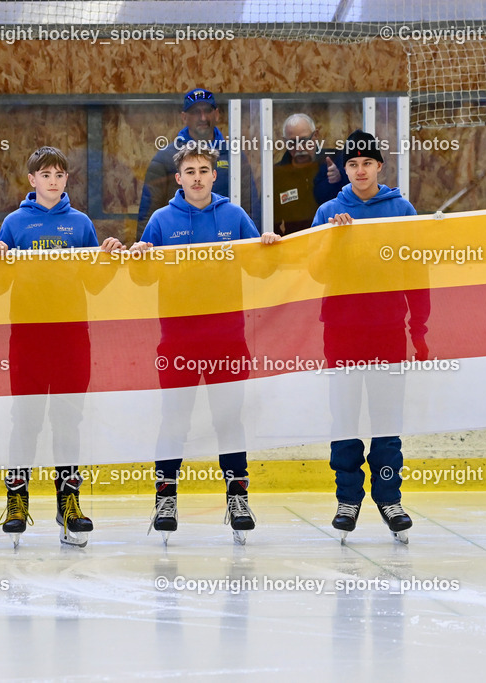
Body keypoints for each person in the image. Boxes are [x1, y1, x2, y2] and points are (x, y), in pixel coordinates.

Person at [130, 143, 280, 545]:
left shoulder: (234, 215)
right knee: (174, 422)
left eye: (203, 170)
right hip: (177, 340)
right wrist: (141, 256)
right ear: (178, 179)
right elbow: (142, 281)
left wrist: (265, 246)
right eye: (189, 171)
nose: (197, 177)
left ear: (215, 176)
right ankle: (165, 499)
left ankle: (237, 497)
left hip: (228, 339)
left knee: (229, 421)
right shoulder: (161, 221)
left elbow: (259, 268)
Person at [0, 146, 123, 548]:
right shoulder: (13, 223)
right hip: (27, 336)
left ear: (67, 180)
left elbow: (94, 284)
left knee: (67, 422)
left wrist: (108, 257)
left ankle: (69, 503)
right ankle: (16, 500)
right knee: (25, 422)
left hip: (71, 336)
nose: (52, 181)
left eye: (59, 175)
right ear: (32, 180)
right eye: (45, 174)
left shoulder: (81, 225)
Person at [312, 129, 427, 544]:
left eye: (367, 163)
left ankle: (389, 497)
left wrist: (422, 330)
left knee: (386, 420)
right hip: (341, 332)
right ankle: (347, 498)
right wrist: (335, 242)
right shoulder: (327, 211)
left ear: (380, 165)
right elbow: (315, 273)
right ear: (343, 171)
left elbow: (417, 274)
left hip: (388, 331)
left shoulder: (401, 209)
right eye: (352, 165)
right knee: (344, 418)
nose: (360, 171)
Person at [136, 87, 258, 240]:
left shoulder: (233, 155)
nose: (202, 117)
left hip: (226, 247)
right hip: (178, 246)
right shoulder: (165, 158)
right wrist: (142, 252)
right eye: (195, 112)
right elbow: (148, 213)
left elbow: (250, 205)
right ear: (184, 117)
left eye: (207, 110)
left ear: (217, 114)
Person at [273, 113, 346, 235]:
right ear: (285, 142)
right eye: (292, 143)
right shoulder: (278, 174)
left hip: (334, 239)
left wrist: (340, 177)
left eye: (304, 140)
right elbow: (271, 220)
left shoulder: (336, 159)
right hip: (296, 244)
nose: (299, 147)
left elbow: (356, 196)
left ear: (315, 135)